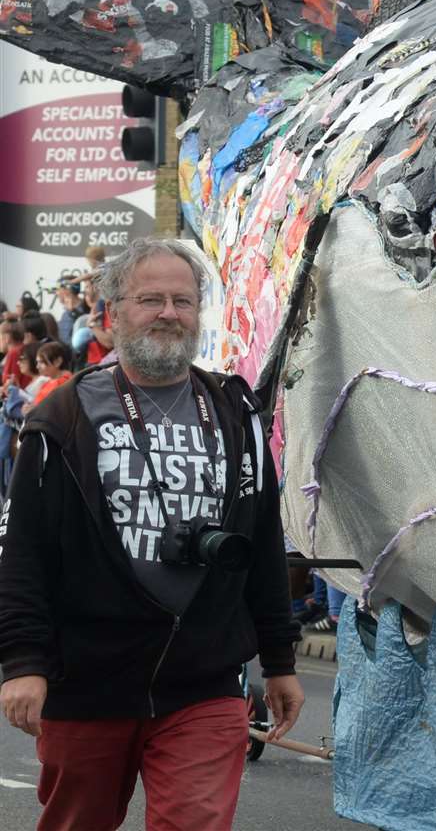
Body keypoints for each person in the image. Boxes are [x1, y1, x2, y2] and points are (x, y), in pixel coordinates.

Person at [0, 237, 304, 831]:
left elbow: (263, 543)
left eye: (183, 301)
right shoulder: (61, 418)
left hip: (205, 681)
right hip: (86, 681)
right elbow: (23, 554)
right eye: (151, 299)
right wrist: (22, 661)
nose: (169, 312)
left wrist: (280, 658)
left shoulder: (237, 415)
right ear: (113, 314)